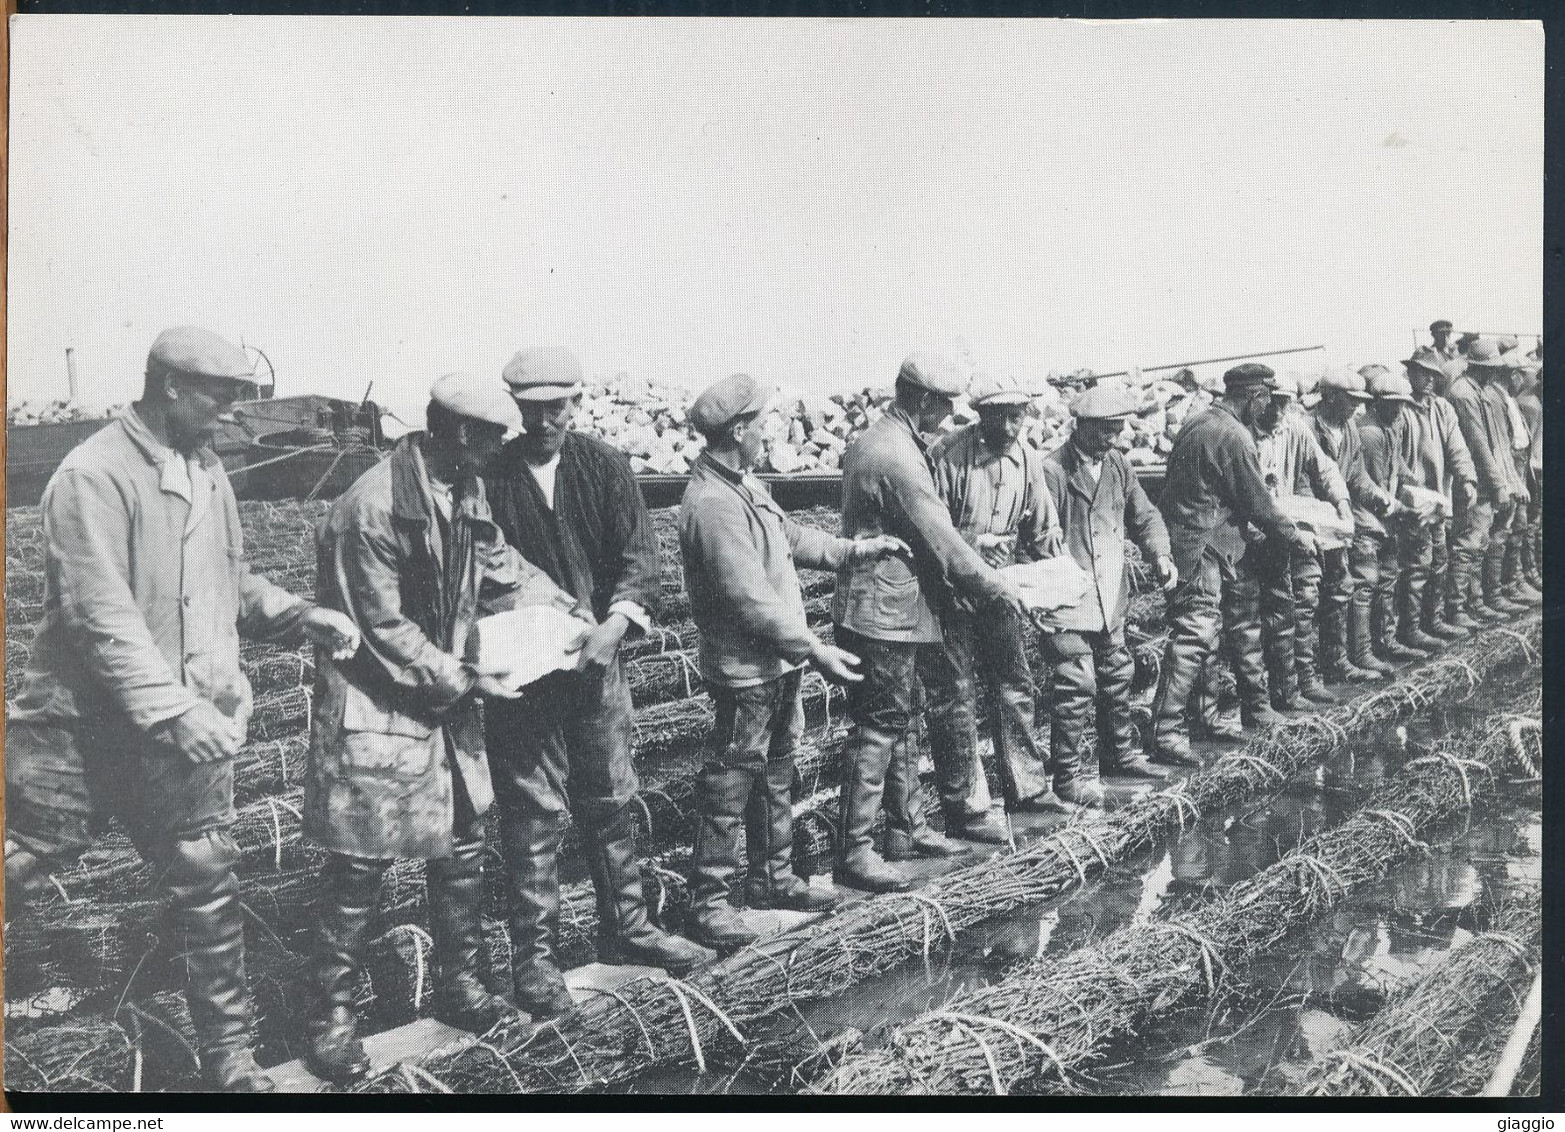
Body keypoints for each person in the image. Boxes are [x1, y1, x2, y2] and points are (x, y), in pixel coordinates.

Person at [4, 327, 361, 1092]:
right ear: (170, 386)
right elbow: (98, 615)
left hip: (180, 727)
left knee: (206, 883)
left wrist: (301, 611)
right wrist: (170, 709)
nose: (233, 415)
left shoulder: (206, 472)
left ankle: (228, 1059)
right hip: (81, 728)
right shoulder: (91, 475)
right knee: (26, 863)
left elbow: (227, 582)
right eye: (222, 396)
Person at [301, 372, 585, 1082]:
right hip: (375, 705)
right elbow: (381, 628)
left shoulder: (461, 487)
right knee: (358, 868)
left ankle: (459, 987)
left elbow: (495, 561)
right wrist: (464, 679)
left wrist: (558, 602)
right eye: (492, 437)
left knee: (460, 848)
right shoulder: (369, 509)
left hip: (442, 701)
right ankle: (330, 1019)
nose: (499, 450)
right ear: (460, 433)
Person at [484, 346, 713, 1020]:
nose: (543, 420)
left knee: (610, 798)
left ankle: (629, 927)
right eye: (530, 409)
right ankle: (535, 962)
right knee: (532, 818)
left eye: (555, 407)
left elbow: (639, 557)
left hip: (597, 665)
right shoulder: (490, 475)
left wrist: (616, 623)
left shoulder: (601, 465)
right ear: (514, 409)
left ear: (574, 403)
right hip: (525, 676)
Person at [677, 374, 908, 952]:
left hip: (774, 666)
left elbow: (792, 539)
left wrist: (857, 550)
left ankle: (772, 876)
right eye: (761, 423)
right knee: (731, 779)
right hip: (746, 669)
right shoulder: (711, 504)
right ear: (738, 430)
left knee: (777, 768)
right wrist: (815, 650)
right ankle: (712, 902)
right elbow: (747, 601)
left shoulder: (743, 485)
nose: (768, 432)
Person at [832, 350, 1032, 893]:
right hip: (883, 611)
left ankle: (906, 830)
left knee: (900, 719)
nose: (948, 416)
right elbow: (942, 539)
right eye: (944, 404)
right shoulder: (897, 455)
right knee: (879, 726)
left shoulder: (886, 440)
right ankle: (856, 850)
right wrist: (994, 587)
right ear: (921, 399)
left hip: (893, 606)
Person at [1145, 363, 1313, 767]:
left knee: (1210, 635)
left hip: (1197, 542)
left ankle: (1204, 720)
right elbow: (1258, 504)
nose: (1269, 406)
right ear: (1254, 397)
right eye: (1266, 399)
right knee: (1195, 634)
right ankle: (1165, 732)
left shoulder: (1198, 421)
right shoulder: (1233, 436)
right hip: (1200, 545)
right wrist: (1297, 538)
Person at [925, 372, 1069, 818]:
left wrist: (1055, 586)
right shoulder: (947, 456)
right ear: (980, 415)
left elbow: (1043, 530)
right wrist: (973, 544)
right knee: (955, 692)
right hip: (950, 592)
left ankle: (1027, 786)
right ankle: (966, 804)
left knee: (1014, 684)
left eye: (1018, 416)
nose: (1010, 428)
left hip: (1002, 588)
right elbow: (931, 531)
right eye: (1000, 417)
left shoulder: (1026, 457)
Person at [1041, 383, 1177, 786]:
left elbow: (1144, 515)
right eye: (1105, 429)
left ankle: (1119, 757)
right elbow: (1039, 539)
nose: (1113, 437)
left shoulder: (1117, 464)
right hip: (1068, 599)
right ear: (1081, 426)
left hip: (1109, 596)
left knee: (1117, 674)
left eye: (1117, 429)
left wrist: (1160, 554)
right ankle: (1066, 777)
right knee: (1075, 684)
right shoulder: (1053, 471)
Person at [1252, 374, 1353, 708]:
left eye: (1285, 402)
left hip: (1292, 527)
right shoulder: (1246, 434)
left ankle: (1304, 679)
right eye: (1274, 401)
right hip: (1257, 535)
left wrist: (1342, 504)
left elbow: (1324, 469)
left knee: (1306, 595)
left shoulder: (1294, 428)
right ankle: (1279, 689)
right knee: (1272, 612)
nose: (1279, 409)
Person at [1306, 368, 1396, 682]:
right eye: (1349, 400)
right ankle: (1316, 669)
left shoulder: (1349, 429)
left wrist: (1376, 495)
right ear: (1329, 397)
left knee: (1340, 587)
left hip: (1340, 519)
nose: (1355, 407)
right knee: (1310, 595)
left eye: (1358, 401)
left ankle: (1339, 661)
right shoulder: (1307, 427)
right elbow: (1306, 482)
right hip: (1315, 519)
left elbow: (1356, 475)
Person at [1444, 340, 1529, 622]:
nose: (1494, 373)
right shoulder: (1464, 393)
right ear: (1480, 367)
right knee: (1468, 544)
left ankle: (1481, 600)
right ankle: (1460, 608)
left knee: (1480, 542)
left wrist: (1506, 480)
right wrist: (1499, 484)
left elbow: (1497, 444)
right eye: (1490, 368)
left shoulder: (1478, 391)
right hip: (1474, 483)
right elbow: (1479, 445)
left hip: (1485, 480)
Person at [1400, 348, 1479, 639]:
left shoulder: (1443, 408)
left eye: (1434, 375)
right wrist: (1413, 495)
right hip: (1412, 503)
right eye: (1423, 373)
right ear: (1410, 374)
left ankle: (1433, 621)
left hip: (1437, 501)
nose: (1430, 380)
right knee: (1416, 566)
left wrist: (1467, 478)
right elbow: (1398, 462)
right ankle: (1411, 629)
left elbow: (1457, 448)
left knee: (1439, 560)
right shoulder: (1402, 409)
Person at [1356, 369, 1433, 665]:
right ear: (1377, 403)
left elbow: (1398, 468)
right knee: (1370, 584)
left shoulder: (1392, 425)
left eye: (1402, 404)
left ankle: (1387, 640)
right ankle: (1371, 648)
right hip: (1370, 516)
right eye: (1393, 404)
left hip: (1386, 515)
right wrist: (1403, 509)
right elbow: (1373, 484)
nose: (1400, 409)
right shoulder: (1370, 433)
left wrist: (1418, 488)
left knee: (1388, 578)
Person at [1510, 361, 1543, 594]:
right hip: (1534, 468)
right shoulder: (1528, 403)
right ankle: (1531, 570)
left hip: (1540, 464)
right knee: (1532, 523)